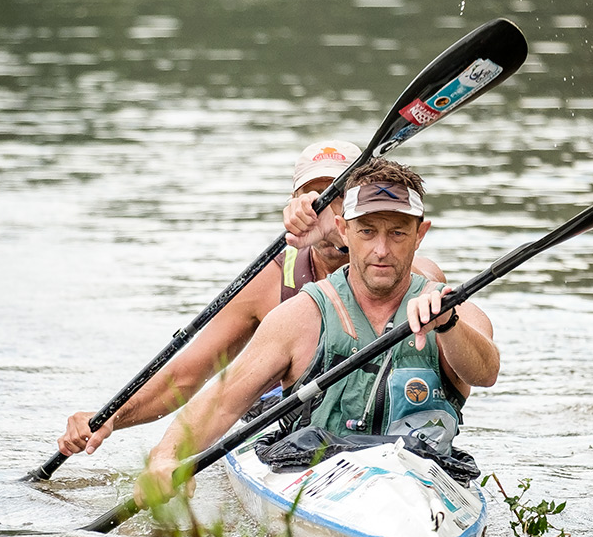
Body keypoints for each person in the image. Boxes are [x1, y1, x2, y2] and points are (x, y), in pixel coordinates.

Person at [55, 140, 449, 460]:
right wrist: (110, 419)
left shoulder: (403, 265)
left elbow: (429, 282)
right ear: (296, 203)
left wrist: (339, 235)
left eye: (336, 195)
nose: (323, 207)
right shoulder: (269, 281)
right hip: (284, 425)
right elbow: (188, 376)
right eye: (313, 195)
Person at [134, 160, 498, 503]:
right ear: (344, 230)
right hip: (316, 479)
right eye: (367, 232)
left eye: (398, 233)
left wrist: (447, 325)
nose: (382, 250)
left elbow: (486, 373)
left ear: (420, 234)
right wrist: (166, 457)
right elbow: (224, 401)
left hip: (425, 482)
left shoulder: (454, 310)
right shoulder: (299, 317)